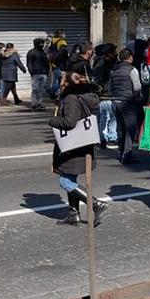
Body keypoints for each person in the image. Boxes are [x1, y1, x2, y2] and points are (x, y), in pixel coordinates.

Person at [48, 70, 108, 226]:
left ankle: (96, 203)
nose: (59, 82)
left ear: (67, 82)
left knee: (65, 182)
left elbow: (70, 122)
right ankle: (73, 213)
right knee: (70, 176)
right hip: (81, 144)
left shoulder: (71, 99)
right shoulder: (84, 96)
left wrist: (52, 120)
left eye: (62, 80)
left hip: (74, 145)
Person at [108, 48, 143, 164]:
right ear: (130, 58)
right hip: (128, 103)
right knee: (130, 130)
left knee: (121, 129)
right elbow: (137, 88)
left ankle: (120, 152)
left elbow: (110, 88)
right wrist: (139, 99)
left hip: (115, 102)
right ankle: (127, 154)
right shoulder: (132, 70)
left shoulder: (113, 70)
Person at [27, 38, 51, 111]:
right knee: (35, 89)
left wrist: (47, 72)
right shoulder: (31, 52)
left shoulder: (43, 52)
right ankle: (34, 104)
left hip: (43, 74)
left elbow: (47, 63)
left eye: (42, 43)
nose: (42, 45)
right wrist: (32, 72)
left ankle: (39, 103)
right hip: (36, 74)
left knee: (41, 90)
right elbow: (29, 64)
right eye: (40, 43)